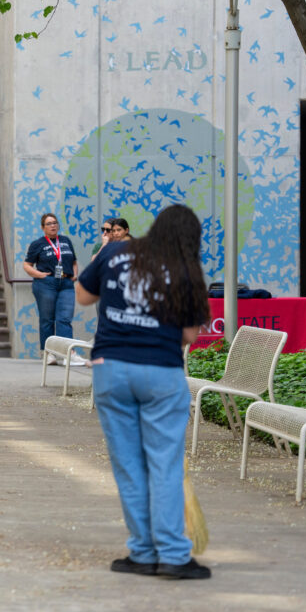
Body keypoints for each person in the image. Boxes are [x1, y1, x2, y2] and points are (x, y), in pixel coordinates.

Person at [75, 204, 211, 580]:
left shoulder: (117, 252)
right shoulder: (186, 268)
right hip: (160, 372)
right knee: (164, 464)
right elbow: (189, 335)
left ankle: (142, 553)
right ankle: (172, 555)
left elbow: (84, 297)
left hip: (111, 369)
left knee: (128, 465)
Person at [23, 212, 82, 364]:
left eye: (55, 222)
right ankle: (49, 353)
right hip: (46, 284)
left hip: (66, 283)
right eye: (49, 223)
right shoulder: (38, 244)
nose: (53, 226)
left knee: (64, 319)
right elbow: (27, 264)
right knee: (47, 319)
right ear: (43, 227)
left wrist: (75, 274)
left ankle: (69, 353)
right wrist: (39, 275)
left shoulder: (65, 240)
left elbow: (73, 261)